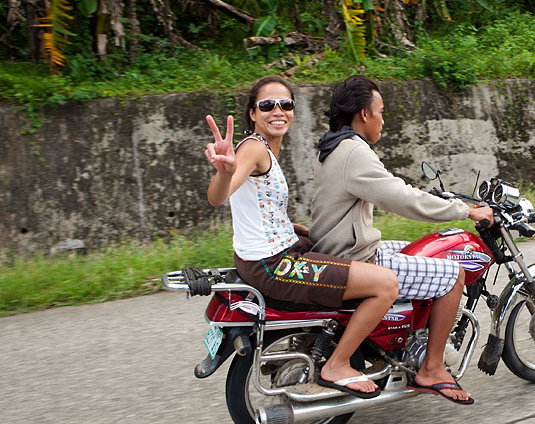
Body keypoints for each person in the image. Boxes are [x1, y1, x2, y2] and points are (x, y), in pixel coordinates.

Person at [203, 76, 399, 398]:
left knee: (340, 254)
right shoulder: (253, 147)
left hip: (275, 252)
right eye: (267, 105)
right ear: (253, 113)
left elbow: (261, 209)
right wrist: (224, 172)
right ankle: (337, 363)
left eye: (286, 104)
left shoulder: (268, 149)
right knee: (385, 284)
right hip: (273, 265)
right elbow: (218, 197)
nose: (277, 111)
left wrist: (299, 229)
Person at [310, 75, 494, 405]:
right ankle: (433, 369)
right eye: (381, 111)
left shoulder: (334, 146)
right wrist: (464, 211)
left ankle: (399, 341)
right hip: (354, 257)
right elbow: (401, 197)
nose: (384, 118)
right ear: (364, 114)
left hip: (341, 247)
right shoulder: (354, 152)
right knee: (453, 276)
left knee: (416, 250)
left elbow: (389, 186)